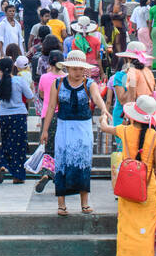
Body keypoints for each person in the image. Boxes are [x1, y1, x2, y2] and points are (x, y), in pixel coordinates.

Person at [101, 94, 156, 256]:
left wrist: (103, 115)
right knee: (145, 233)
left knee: (126, 231)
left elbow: (104, 127)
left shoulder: (123, 130)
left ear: (133, 115)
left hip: (127, 188)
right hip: (148, 189)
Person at [38, 49, 112, 215]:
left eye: (80, 69)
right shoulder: (58, 83)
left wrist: (104, 109)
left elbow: (97, 97)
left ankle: (84, 202)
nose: (77, 72)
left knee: (83, 163)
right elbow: (51, 107)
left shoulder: (89, 84)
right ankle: (61, 203)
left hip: (83, 128)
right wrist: (45, 130)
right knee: (62, 163)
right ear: (68, 68)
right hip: (63, 127)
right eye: (74, 68)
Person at [0, 56, 35, 183]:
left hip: (4, 115)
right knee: (19, 144)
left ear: (0, 68)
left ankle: (3, 164)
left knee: (6, 142)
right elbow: (30, 96)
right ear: (13, 67)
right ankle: (17, 175)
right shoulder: (19, 80)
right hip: (19, 115)